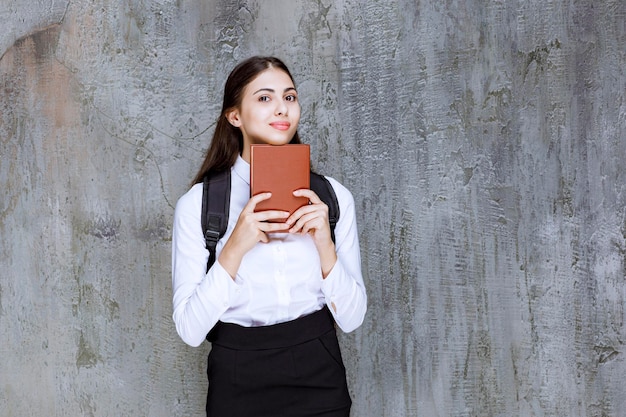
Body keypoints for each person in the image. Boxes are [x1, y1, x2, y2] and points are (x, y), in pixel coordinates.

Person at [171, 56, 367, 417]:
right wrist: (234, 248)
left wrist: (325, 244)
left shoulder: (334, 198)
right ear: (235, 116)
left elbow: (352, 319)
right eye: (264, 98)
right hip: (237, 376)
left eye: (289, 97)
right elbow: (190, 330)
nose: (282, 108)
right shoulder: (199, 205)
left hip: (319, 373)